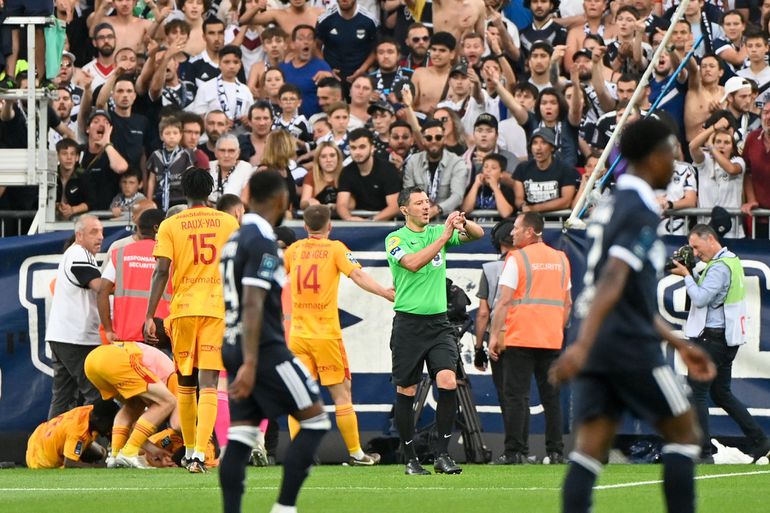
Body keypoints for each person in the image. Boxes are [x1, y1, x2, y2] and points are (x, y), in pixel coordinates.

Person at [549, 118, 716, 513]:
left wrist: (678, 343)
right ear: (654, 157)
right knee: (685, 433)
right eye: (672, 153)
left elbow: (625, 294)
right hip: (627, 346)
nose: (675, 164)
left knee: (589, 450)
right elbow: (612, 278)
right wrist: (583, 345)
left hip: (599, 342)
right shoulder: (638, 209)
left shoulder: (609, 205)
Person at [218, 170, 330, 513]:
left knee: (240, 436)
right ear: (283, 201)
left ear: (248, 193)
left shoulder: (233, 240)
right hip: (263, 349)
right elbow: (253, 301)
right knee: (315, 420)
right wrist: (252, 363)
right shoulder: (262, 242)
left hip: (233, 343)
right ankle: (284, 508)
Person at [144, 167, 240, 473]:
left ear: (183, 192)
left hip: (183, 309)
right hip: (216, 309)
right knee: (209, 381)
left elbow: (161, 271)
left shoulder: (171, 224)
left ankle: (188, 452)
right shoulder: (228, 222)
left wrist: (149, 314)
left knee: (185, 382)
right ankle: (200, 452)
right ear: (211, 191)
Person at [284, 204, 394, 465]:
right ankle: (357, 454)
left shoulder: (293, 250)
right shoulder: (335, 249)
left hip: (298, 335)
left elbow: (275, 276)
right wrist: (384, 292)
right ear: (330, 226)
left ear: (305, 227)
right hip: (326, 335)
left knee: (300, 396)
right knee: (342, 394)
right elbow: (357, 275)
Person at [385, 186, 484, 475]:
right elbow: (412, 264)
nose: (426, 207)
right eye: (419, 203)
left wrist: (463, 223)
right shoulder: (395, 239)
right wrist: (443, 236)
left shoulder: (435, 232)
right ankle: (411, 459)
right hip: (408, 324)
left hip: (440, 324)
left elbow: (478, 235)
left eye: (427, 202)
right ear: (405, 210)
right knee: (407, 389)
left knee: (448, 381)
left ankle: (442, 455)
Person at [671, 224, 770, 461]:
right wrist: (692, 274)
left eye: (696, 246)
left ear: (710, 239)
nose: (695, 253)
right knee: (721, 393)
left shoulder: (718, 267)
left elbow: (702, 298)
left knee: (698, 394)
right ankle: (760, 440)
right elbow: (712, 293)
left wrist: (686, 276)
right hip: (727, 339)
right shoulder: (731, 261)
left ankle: (703, 452)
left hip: (711, 339)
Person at [488, 212, 571, 464]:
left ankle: (516, 452)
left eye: (516, 228)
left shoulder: (517, 258)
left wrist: (494, 336)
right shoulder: (561, 259)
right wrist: (556, 326)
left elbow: (503, 302)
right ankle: (556, 452)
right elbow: (567, 303)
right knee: (551, 398)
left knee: (516, 397)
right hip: (551, 338)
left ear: (530, 232)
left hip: (521, 337)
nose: (512, 233)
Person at [46, 215, 104, 420]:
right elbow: (99, 287)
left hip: (63, 335)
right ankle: (87, 447)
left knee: (63, 398)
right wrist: (126, 284)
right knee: (96, 395)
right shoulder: (79, 253)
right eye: (93, 232)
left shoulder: (75, 253)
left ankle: (49, 448)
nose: (100, 237)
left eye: (102, 232)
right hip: (76, 337)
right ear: (79, 236)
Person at [84, 341, 178, 469]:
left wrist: (153, 450)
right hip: (115, 358)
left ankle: (115, 455)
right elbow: (178, 424)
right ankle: (129, 452)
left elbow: (137, 424)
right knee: (168, 401)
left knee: (133, 405)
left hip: (93, 360)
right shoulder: (176, 378)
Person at [473, 218, 515, 458]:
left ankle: (513, 450)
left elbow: (482, 313)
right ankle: (545, 449)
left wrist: (479, 347)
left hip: (499, 338)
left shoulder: (490, 269)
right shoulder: (529, 265)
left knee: (506, 396)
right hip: (529, 336)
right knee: (521, 396)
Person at [403, 119, 470, 218]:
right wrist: (423, 207)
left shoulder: (457, 162)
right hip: (418, 220)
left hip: (447, 222)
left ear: (445, 139)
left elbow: (457, 196)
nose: (434, 141)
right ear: (423, 140)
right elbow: (408, 193)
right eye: (429, 138)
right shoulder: (413, 161)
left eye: (438, 137)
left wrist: (436, 209)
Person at [26, 400, 119, 469]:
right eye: (110, 425)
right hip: (39, 459)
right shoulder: (77, 432)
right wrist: (99, 468)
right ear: (98, 420)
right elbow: (70, 463)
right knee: (85, 460)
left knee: (100, 453)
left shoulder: (90, 410)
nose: (111, 429)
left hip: (41, 435)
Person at [336, 128, 402, 221]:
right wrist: (349, 218)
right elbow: (341, 204)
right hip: (357, 223)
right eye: (353, 148)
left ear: (372, 148)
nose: (357, 152)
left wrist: (370, 221)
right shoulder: (346, 172)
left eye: (362, 147)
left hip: (385, 224)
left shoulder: (388, 170)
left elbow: (394, 206)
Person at [513, 127, 579, 213]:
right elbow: (518, 198)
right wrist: (522, 205)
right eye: (535, 143)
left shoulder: (566, 169)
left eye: (544, 143)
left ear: (552, 147)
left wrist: (534, 209)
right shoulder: (522, 168)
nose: (538, 147)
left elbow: (566, 201)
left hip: (557, 221)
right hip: (530, 220)